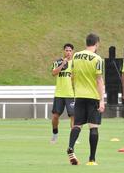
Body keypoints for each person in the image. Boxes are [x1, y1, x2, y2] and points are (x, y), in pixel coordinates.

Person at [66, 33, 105, 166]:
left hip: (80, 96)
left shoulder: (76, 56)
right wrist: (101, 100)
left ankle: (71, 147)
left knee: (77, 125)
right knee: (93, 127)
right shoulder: (97, 59)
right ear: (97, 44)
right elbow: (99, 80)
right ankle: (92, 159)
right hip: (93, 96)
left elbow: (71, 75)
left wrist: (75, 89)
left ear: (86, 43)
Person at [50, 43, 75, 144]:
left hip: (70, 94)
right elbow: (53, 73)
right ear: (64, 51)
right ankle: (55, 134)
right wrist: (62, 64)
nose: (68, 52)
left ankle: (73, 138)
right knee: (55, 116)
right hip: (59, 94)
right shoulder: (58, 62)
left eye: (70, 50)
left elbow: (75, 76)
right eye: (66, 50)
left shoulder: (75, 63)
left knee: (73, 116)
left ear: (72, 52)